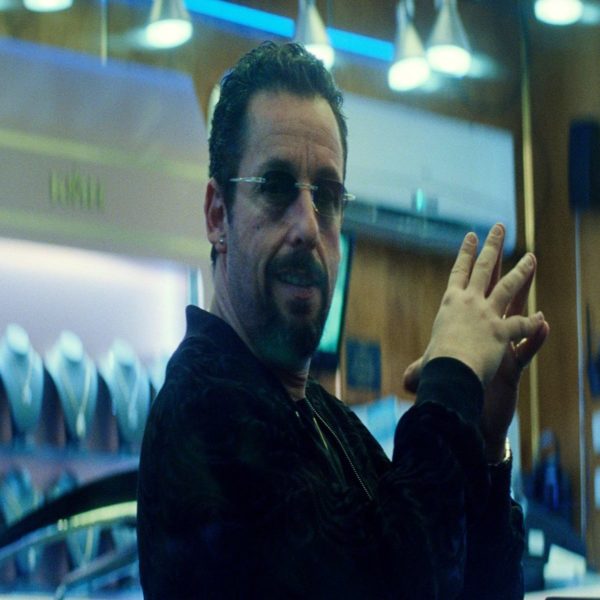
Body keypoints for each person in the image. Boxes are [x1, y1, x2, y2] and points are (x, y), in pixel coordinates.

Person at [136, 41, 550, 599]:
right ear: (217, 215)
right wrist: (449, 384)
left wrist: (482, 441)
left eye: (328, 195)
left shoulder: (323, 416)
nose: (309, 226)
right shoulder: (203, 411)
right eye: (276, 187)